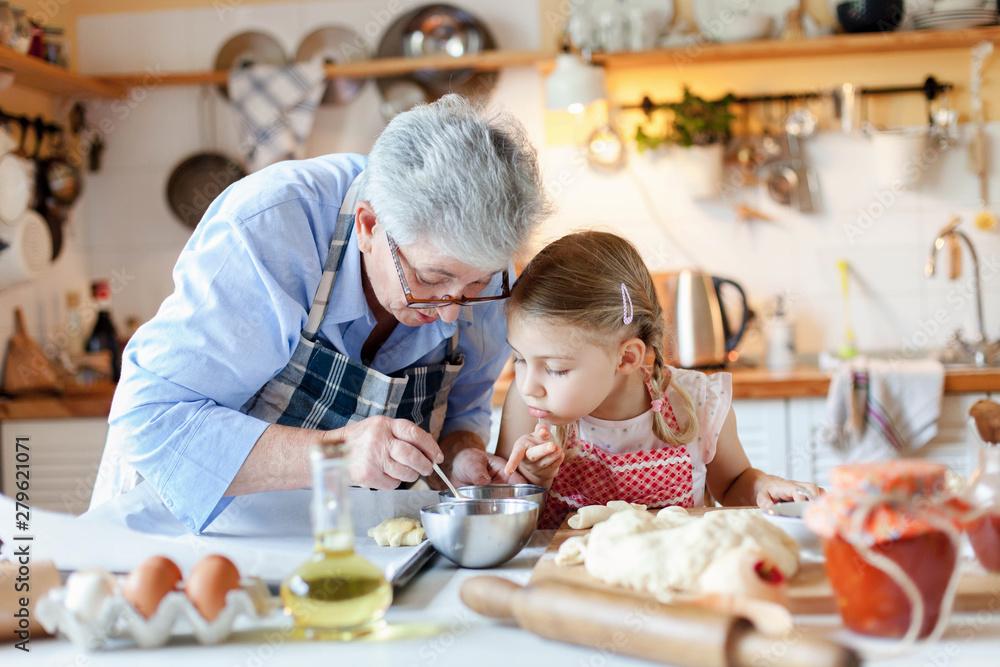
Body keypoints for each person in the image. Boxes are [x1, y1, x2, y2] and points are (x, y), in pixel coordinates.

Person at [91, 95, 550, 533]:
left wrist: (461, 458)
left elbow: (462, 414)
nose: (453, 315)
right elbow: (152, 422)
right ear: (369, 226)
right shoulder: (270, 229)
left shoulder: (489, 272)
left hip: (332, 539)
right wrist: (336, 452)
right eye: (430, 279)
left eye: (475, 287)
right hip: (179, 533)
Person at [498, 231, 821, 528]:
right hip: (567, 582)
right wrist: (532, 481)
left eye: (556, 369)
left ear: (626, 358)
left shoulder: (695, 401)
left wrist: (763, 486)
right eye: (520, 360)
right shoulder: (528, 408)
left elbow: (734, 484)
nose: (529, 386)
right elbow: (502, 516)